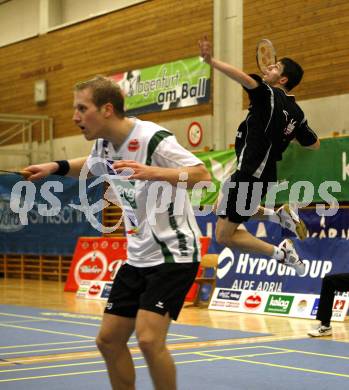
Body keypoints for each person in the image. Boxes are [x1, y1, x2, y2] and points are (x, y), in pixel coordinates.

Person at [24, 75, 211, 390]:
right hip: (137, 255)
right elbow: (91, 164)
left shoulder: (153, 137)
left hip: (173, 252)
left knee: (149, 340)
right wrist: (54, 167)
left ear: (107, 109)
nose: (75, 117)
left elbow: (201, 174)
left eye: (82, 108)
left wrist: (153, 171)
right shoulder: (104, 144)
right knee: (108, 341)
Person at [199, 36, 320, 275]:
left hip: (251, 173)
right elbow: (313, 144)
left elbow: (242, 77)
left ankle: (281, 253)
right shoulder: (297, 113)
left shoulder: (267, 95)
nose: (269, 68)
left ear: (282, 79)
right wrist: (286, 132)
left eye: (275, 67)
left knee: (223, 236)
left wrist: (211, 61)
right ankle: (279, 216)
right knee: (217, 207)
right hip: (261, 173)